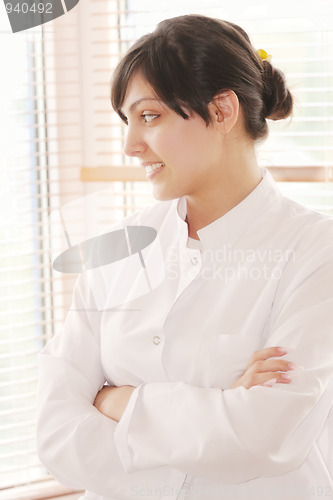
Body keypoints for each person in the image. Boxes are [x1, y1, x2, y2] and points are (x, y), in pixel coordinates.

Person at [36, 14, 333, 500]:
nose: (132, 145)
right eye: (127, 121)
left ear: (221, 110)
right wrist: (216, 411)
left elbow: (258, 439)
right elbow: (55, 436)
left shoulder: (317, 254)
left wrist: (115, 399)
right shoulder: (115, 249)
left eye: (149, 117)